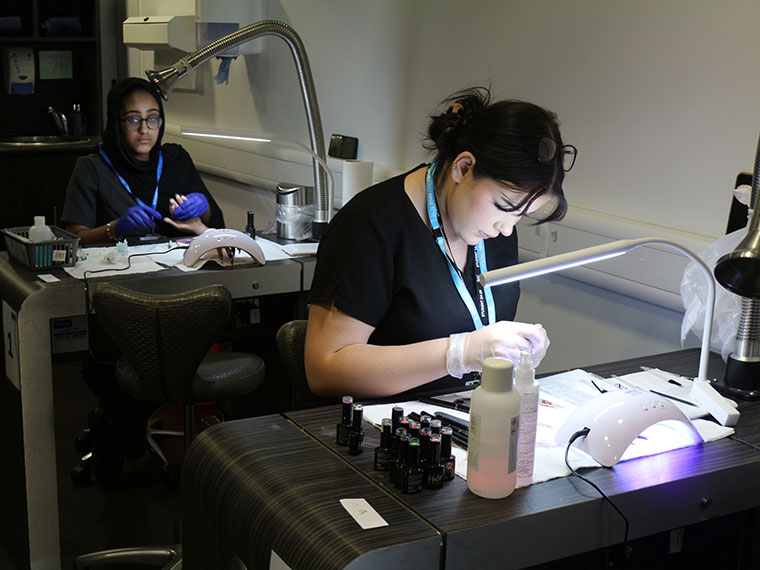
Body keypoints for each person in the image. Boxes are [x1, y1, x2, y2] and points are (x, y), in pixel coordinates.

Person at [305, 87, 575, 399]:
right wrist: (458, 353)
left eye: (522, 215)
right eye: (503, 207)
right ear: (463, 167)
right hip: (382, 427)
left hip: (467, 415)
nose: (506, 229)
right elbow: (324, 369)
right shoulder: (372, 226)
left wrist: (511, 349)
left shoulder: (493, 230)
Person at [61, 77, 224, 244]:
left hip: (177, 263)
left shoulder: (176, 159)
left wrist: (204, 207)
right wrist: (114, 228)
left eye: (152, 118)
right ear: (117, 122)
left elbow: (215, 224)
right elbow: (75, 238)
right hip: (118, 265)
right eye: (133, 119)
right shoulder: (92, 168)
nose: (144, 129)